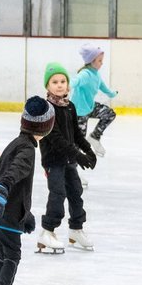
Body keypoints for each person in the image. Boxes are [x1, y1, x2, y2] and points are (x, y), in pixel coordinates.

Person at [0, 96, 56, 285]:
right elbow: (15, 171)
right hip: (5, 211)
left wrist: (27, 214)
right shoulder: (27, 149)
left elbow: (17, 182)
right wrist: (2, 189)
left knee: (3, 254)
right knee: (12, 255)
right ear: (47, 126)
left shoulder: (16, 143)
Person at [37, 62, 96, 253]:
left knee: (76, 192)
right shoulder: (46, 108)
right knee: (58, 194)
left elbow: (76, 133)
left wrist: (88, 150)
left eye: (63, 81)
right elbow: (56, 138)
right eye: (54, 82)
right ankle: (47, 232)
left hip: (69, 160)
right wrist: (78, 155)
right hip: (53, 160)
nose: (60, 85)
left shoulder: (69, 106)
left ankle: (76, 230)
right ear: (47, 85)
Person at [72, 44, 118, 158]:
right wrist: (65, 86)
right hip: (79, 112)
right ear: (91, 61)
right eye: (99, 60)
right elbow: (75, 81)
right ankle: (72, 166)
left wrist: (111, 93)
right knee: (79, 144)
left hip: (90, 107)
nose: (102, 63)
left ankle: (94, 137)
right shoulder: (85, 74)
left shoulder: (95, 74)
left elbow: (102, 86)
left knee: (109, 114)